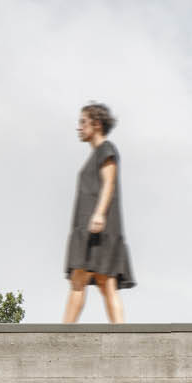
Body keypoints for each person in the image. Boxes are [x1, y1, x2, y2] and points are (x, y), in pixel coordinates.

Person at [62, 102, 134, 323]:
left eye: (83, 122)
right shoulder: (95, 155)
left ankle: (61, 337)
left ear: (97, 124)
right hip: (91, 227)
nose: (79, 127)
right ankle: (122, 335)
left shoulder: (106, 149)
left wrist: (99, 214)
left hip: (97, 227)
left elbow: (109, 183)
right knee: (105, 282)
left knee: (80, 279)